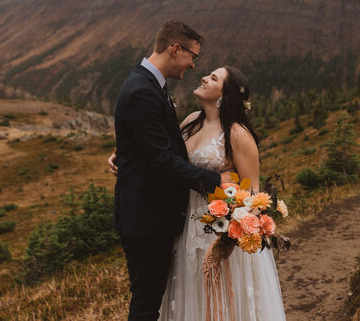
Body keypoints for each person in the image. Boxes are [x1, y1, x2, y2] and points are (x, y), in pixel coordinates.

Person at [112, 20, 230, 321]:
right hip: (145, 219)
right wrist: (216, 181)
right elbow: (162, 160)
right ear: (175, 48)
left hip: (151, 216)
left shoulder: (151, 85)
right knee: (146, 303)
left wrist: (122, 154)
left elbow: (149, 143)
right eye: (193, 56)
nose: (193, 65)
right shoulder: (142, 90)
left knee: (150, 299)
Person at [158, 65, 286, 320]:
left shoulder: (237, 134)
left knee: (223, 300)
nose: (204, 78)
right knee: (190, 290)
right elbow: (167, 159)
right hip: (187, 225)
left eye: (213, 78)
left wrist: (228, 240)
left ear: (224, 96)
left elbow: (252, 193)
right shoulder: (191, 121)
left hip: (219, 233)